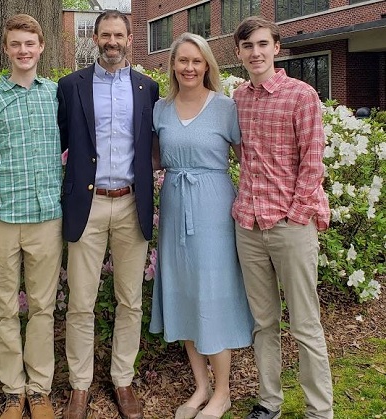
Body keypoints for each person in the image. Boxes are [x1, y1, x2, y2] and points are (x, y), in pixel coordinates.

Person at [56, 10, 159, 419]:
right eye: (105, 35)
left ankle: (123, 380)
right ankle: (79, 387)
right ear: (95, 38)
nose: (112, 41)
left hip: (132, 202)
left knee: (129, 300)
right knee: (81, 302)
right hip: (89, 203)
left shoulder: (148, 88)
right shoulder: (71, 86)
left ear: (130, 38)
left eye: (119, 34)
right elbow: (57, 141)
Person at [232, 16, 334, 419]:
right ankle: (269, 402)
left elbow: (312, 164)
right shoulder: (238, 98)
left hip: (291, 225)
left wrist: (294, 216)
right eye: (247, 47)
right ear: (239, 54)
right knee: (263, 322)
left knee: (305, 323)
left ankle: (319, 410)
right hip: (249, 226)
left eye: (261, 45)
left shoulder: (301, 95)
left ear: (276, 47)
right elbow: (242, 157)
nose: (255, 53)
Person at [0, 14, 62, 419]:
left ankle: (39, 390)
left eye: (30, 43)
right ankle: (12, 391)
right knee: (3, 309)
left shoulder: (56, 95)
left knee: (42, 307)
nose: (23, 50)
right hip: (0, 219)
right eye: (16, 44)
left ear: (41, 47)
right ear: (5, 49)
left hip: (47, 219)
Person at [149, 32, 254, 419]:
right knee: (184, 294)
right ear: (173, 66)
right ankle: (201, 387)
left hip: (213, 210)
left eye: (196, 61)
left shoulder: (226, 108)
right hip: (175, 207)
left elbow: (249, 162)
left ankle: (223, 392)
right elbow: (154, 161)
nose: (189, 67)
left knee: (212, 295)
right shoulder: (160, 109)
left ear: (207, 64)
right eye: (182, 61)